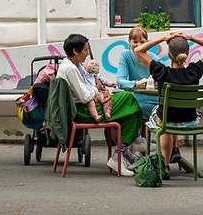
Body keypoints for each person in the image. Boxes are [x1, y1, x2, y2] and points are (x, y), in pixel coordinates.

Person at [56, 32, 145, 174]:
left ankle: (123, 152)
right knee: (129, 100)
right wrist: (97, 89)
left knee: (129, 110)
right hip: (82, 111)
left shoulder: (69, 65)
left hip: (83, 106)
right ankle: (131, 144)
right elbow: (84, 96)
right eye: (85, 50)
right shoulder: (71, 69)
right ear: (75, 51)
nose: (87, 54)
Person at [138, 30, 203, 175]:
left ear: (169, 54)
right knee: (166, 117)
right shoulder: (195, 71)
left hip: (167, 121)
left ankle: (164, 164)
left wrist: (163, 38)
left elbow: (139, 51)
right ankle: (172, 154)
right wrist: (191, 37)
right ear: (187, 54)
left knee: (163, 118)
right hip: (189, 122)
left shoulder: (161, 71)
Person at [113, 25, 162, 122]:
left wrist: (158, 82)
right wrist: (136, 84)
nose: (139, 45)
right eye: (135, 42)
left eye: (142, 42)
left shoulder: (154, 58)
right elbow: (120, 81)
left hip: (154, 101)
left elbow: (166, 79)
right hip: (135, 99)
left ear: (147, 43)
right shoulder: (125, 55)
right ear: (129, 42)